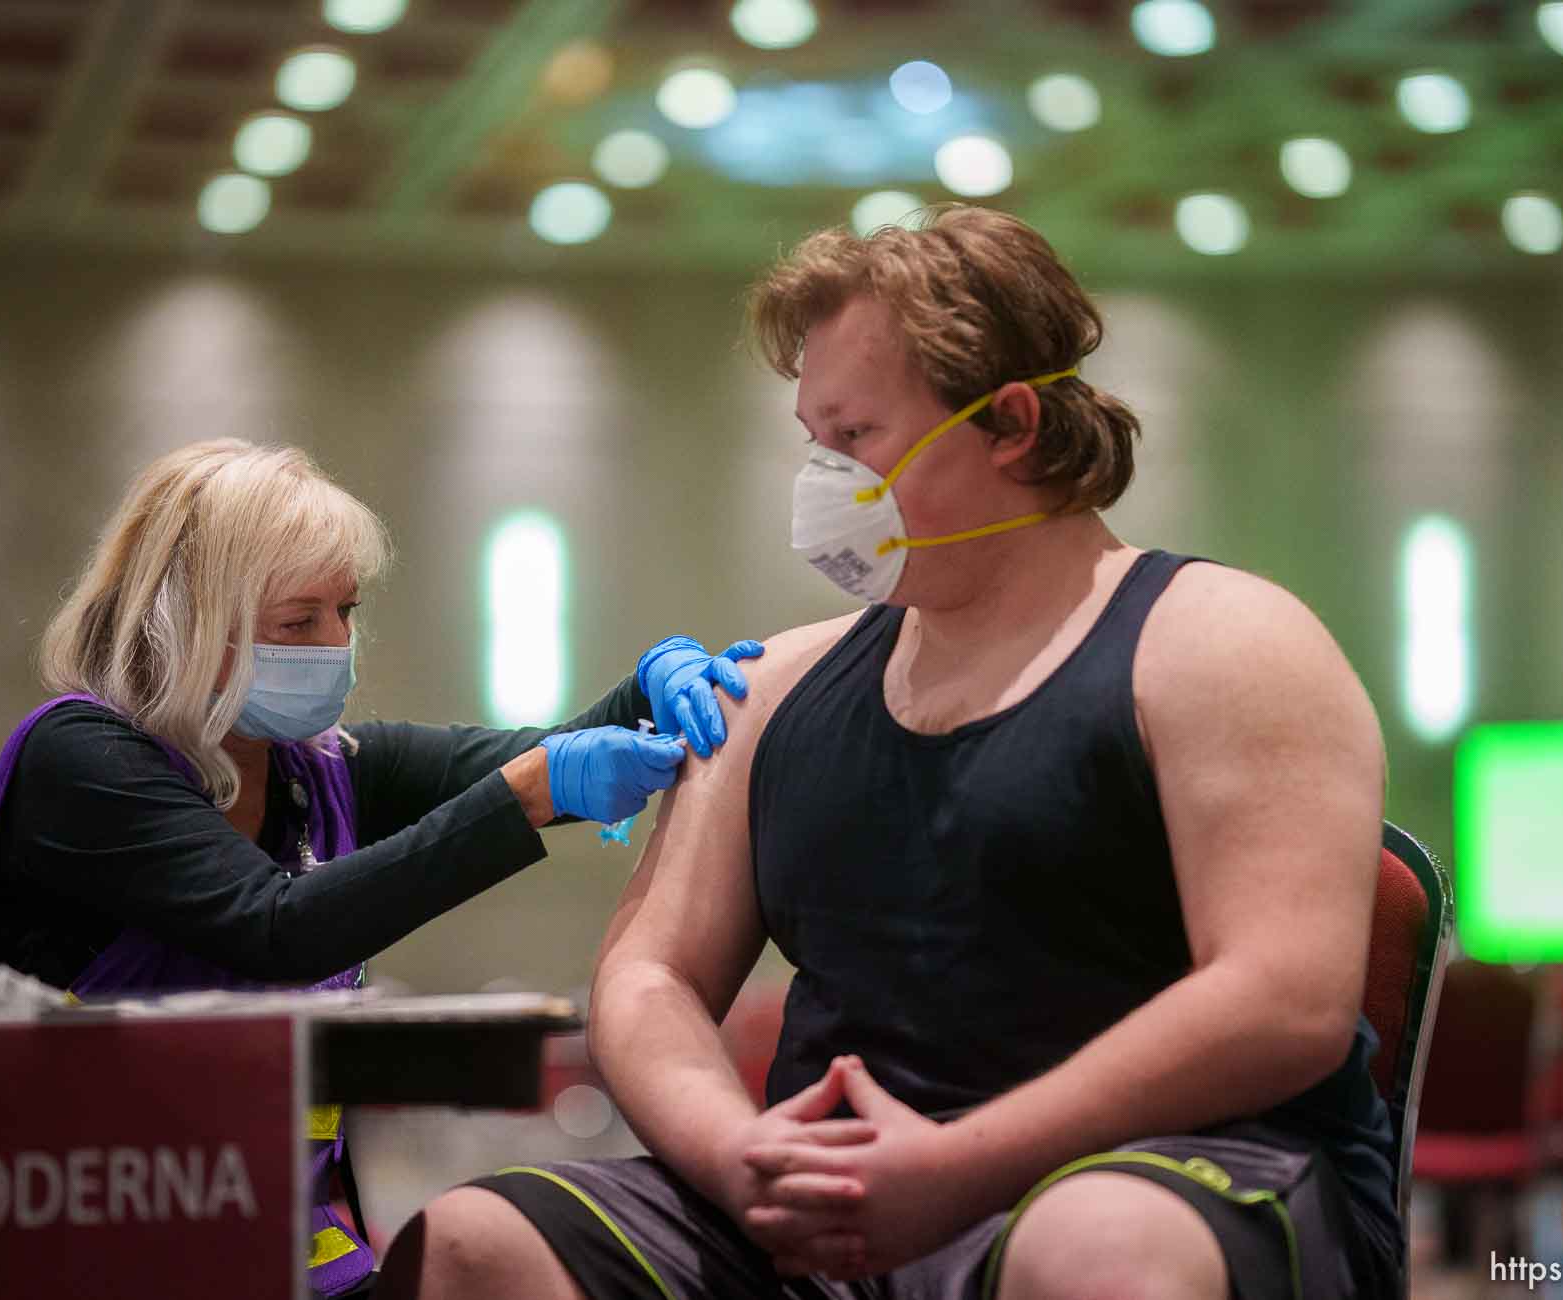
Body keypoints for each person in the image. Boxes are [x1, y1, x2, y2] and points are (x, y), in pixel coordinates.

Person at [378, 205, 1400, 1300]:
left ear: (1009, 424)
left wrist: (962, 1165)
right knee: (474, 1244)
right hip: (844, 1211)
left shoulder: (1226, 641)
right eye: (814, 443)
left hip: (1168, 1175)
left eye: (857, 439)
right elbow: (650, 973)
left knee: (1094, 1249)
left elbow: (1284, 1001)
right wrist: (738, 1154)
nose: (824, 483)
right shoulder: (770, 686)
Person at [0, 437, 761, 1298]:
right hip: (78, 1250)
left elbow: (537, 753)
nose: (336, 645)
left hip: (285, 1252)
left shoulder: (318, 769)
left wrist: (649, 688)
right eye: (300, 622)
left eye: (347, 611)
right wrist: (527, 797)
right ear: (182, 624)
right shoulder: (81, 759)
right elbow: (275, 925)